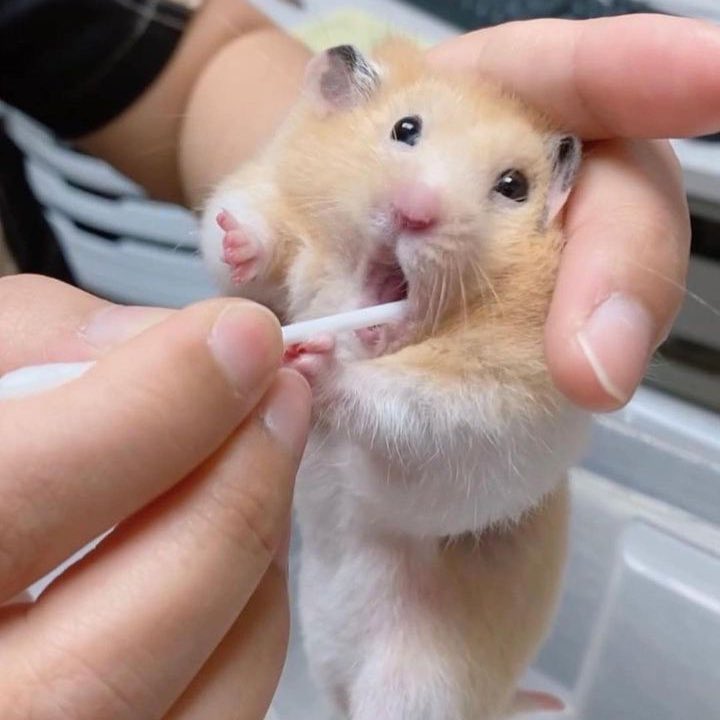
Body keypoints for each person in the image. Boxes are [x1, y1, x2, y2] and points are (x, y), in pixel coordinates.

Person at [0, 1, 711, 717]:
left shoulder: (511, 344)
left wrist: (356, 389)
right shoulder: (327, 219)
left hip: (429, 617)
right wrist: (253, 237)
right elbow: (265, 207)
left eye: (509, 188)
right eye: (407, 132)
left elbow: (202, 66)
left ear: (559, 197)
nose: (420, 201)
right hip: (319, 578)